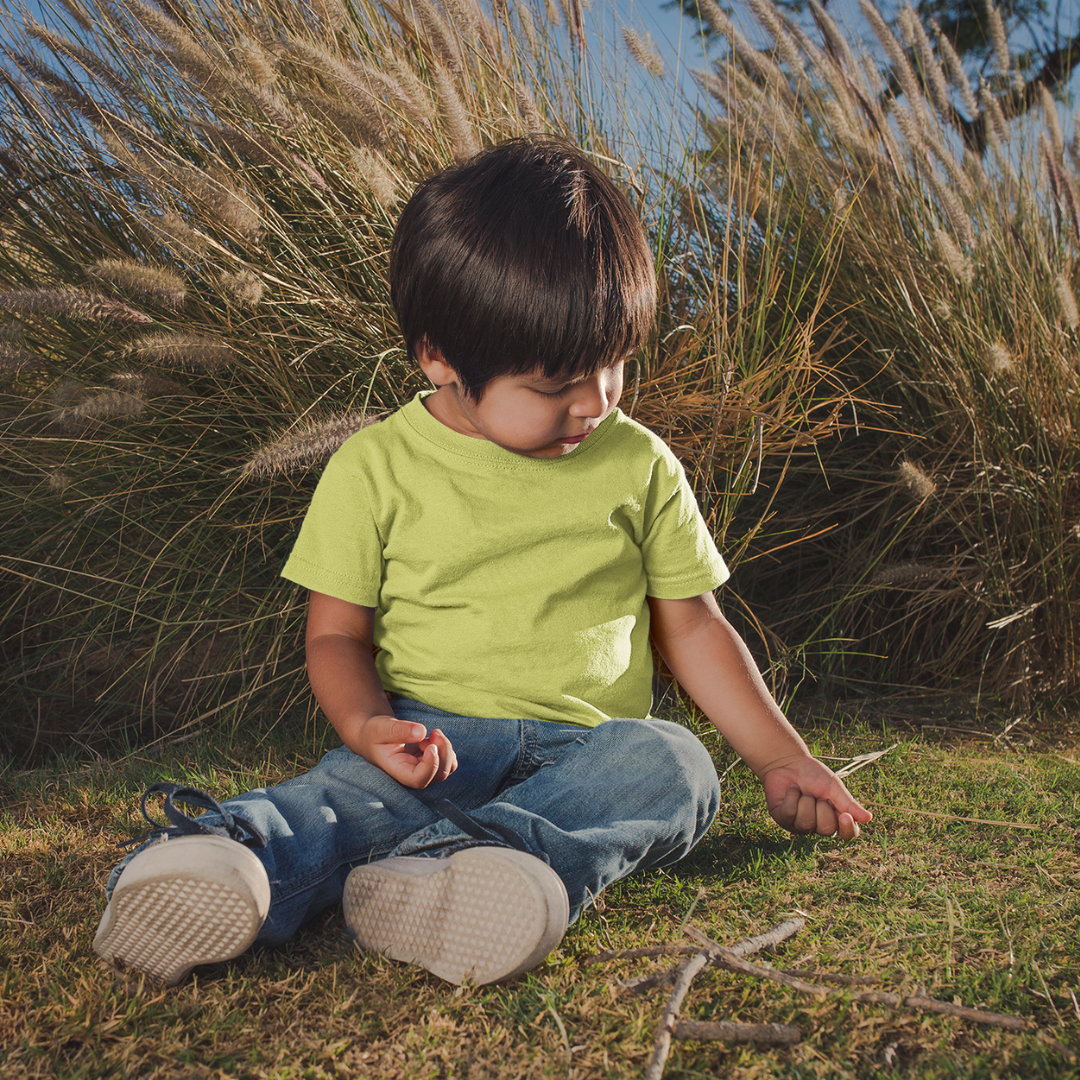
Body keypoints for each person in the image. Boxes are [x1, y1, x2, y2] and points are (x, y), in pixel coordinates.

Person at [93, 137, 871, 988]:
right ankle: (222, 859)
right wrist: (368, 730)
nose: (596, 401)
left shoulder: (639, 462)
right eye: (554, 386)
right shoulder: (377, 467)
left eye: (613, 364)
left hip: (591, 754)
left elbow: (690, 624)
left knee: (676, 766)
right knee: (338, 802)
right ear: (440, 357)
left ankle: (463, 871)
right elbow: (336, 639)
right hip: (433, 741)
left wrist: (780, 756)